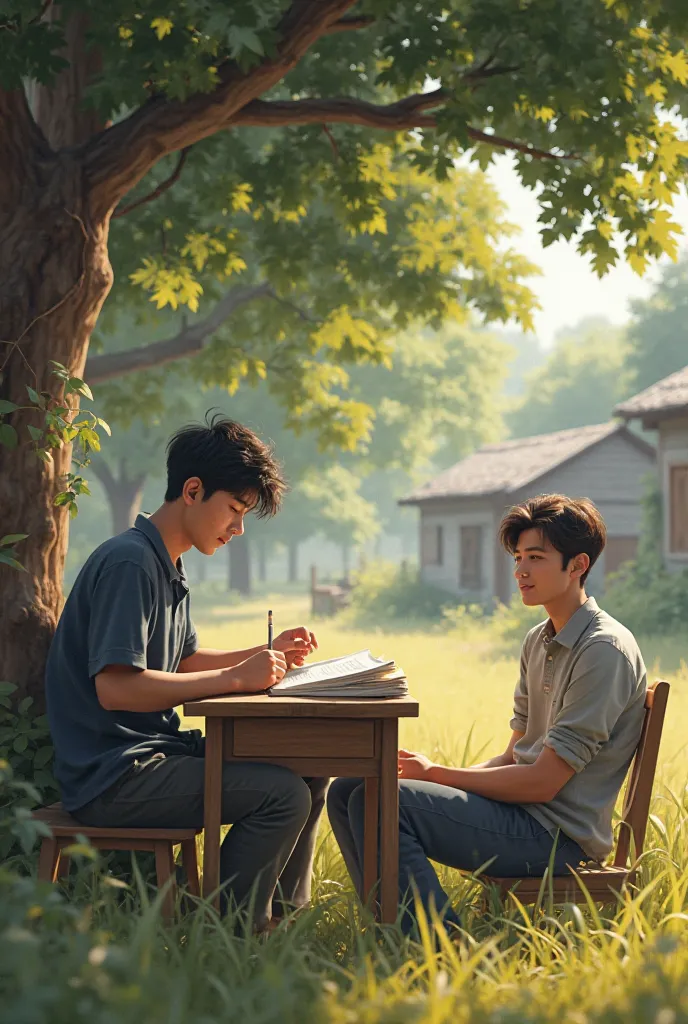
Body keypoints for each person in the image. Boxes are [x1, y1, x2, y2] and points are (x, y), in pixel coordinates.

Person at [45, 412, 327, 931]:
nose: (238, 529)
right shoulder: (129, 564)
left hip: (154, 755)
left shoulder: (165, 563)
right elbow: (116, 688)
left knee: (310, 764)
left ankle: (279, 916)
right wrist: (235, 679)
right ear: (193, 490)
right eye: (235, 510)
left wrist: (265, 656)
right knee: (283, 794)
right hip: (115, 776)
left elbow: (184, 661)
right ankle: (234, 931)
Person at [328, 494, 647, 932]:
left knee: (383, 801)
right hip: (522, 817)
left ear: (577, 566)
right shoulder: (539, 640)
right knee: (349, 787)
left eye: (536, 557)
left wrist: (438, 774)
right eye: (518, 557)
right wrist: (434, 777)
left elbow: (542, 781)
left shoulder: (603, 651)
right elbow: (513, 758)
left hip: (558, 837)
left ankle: (438, 948)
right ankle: (390, 929)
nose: (520, 570)